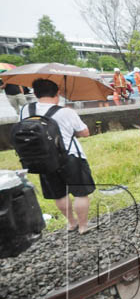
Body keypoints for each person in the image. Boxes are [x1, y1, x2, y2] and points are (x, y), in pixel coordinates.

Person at [20, 79, 95, 234]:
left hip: (43, 158)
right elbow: (85, 132)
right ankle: (83, 226)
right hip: (70, 156)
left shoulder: (26, 109)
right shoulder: (65, 111)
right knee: (80, 192)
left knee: (58, 193)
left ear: (35, 93)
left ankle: (71, 223)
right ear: (58, 93)